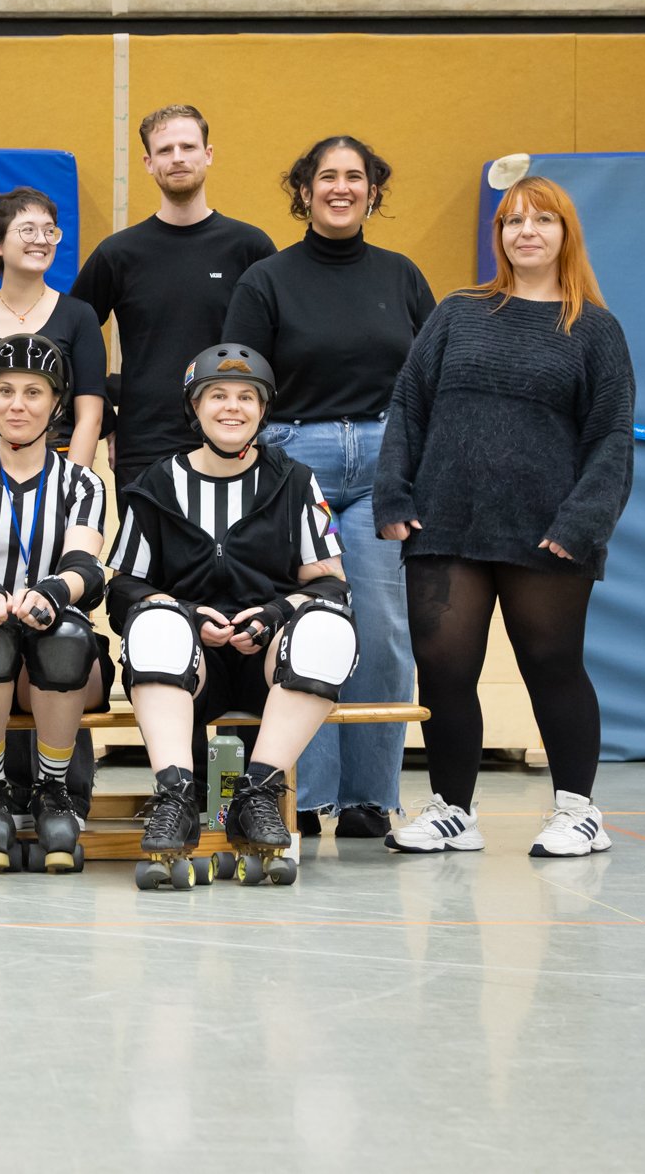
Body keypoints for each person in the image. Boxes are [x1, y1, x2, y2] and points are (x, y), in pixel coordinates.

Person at [378, 177, 634, 859]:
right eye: (513, 221)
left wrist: (580, 525)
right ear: (499, 236)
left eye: (542, 220)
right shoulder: (458, 312)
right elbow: (408, 405)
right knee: (443, 667)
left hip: (547, 533)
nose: (527, 232)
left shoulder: (595, 329)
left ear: (565, 232)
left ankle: (579, 811)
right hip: (445, 525)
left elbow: (611, 437)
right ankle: (452, 811)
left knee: (552, 664)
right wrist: (393, 497)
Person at [224, 136, 435, 838]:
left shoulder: (402, 276)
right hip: (294, 459)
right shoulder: (266, 280)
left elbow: (430, 381)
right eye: (327, 177)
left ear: (373, 191)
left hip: (385, 463)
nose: (341, 187)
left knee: (382, 627)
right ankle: (304, 796)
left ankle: (369, 797)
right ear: (304, 190)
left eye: (355, 177)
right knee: (306, 623)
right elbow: (240, 384)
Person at [108, 344, 354, 889]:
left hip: (269, 664)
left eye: (247, 397)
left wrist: (273, 613)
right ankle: (175, 798)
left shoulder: (295, 481)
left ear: (263, 410)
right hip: (187, 666)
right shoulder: (157, 483)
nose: (232, 407)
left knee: (329, 625)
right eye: (217, 395)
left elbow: (333, 584)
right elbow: (122, 590)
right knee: (154, 620)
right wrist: (187, 613)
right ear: (194, 407)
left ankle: (257, 794)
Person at [0, 335, 112, 875]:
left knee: (65, 639)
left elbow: (84, 567)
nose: (17, 405)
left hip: (58, 647)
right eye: (5, 391)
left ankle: (53, 792)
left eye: (33, 392)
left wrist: (52, 594)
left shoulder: (82, 482)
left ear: (56, 404)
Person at [70, 105, 276, 488]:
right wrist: (107, 419)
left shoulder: (249, 247)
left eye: (188, 147)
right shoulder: (118, 254)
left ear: (208, 154)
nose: (177, 158)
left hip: (233, 441)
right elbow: (71, 336)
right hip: (145, 447)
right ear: (149, 163)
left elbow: (279, 343)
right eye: (165, 150)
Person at [0, 188, 107, 465]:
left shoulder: (79, 316)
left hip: (57, 467)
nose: (41, 240)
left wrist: (71, 483)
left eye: (49, 231)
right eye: (28, 230)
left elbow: (90, 417)